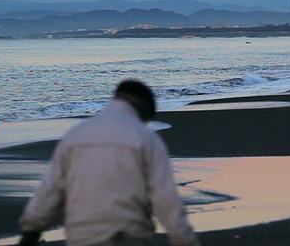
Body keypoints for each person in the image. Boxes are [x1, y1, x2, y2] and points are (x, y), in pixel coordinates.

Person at [18, 80, 199, 246]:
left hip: (81, 236)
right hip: (128, 235)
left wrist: (31, 230)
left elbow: (51, 189)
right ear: (143, 109)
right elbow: (165, 199)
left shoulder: (76, 134)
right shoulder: (146, 138)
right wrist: (184, 239)